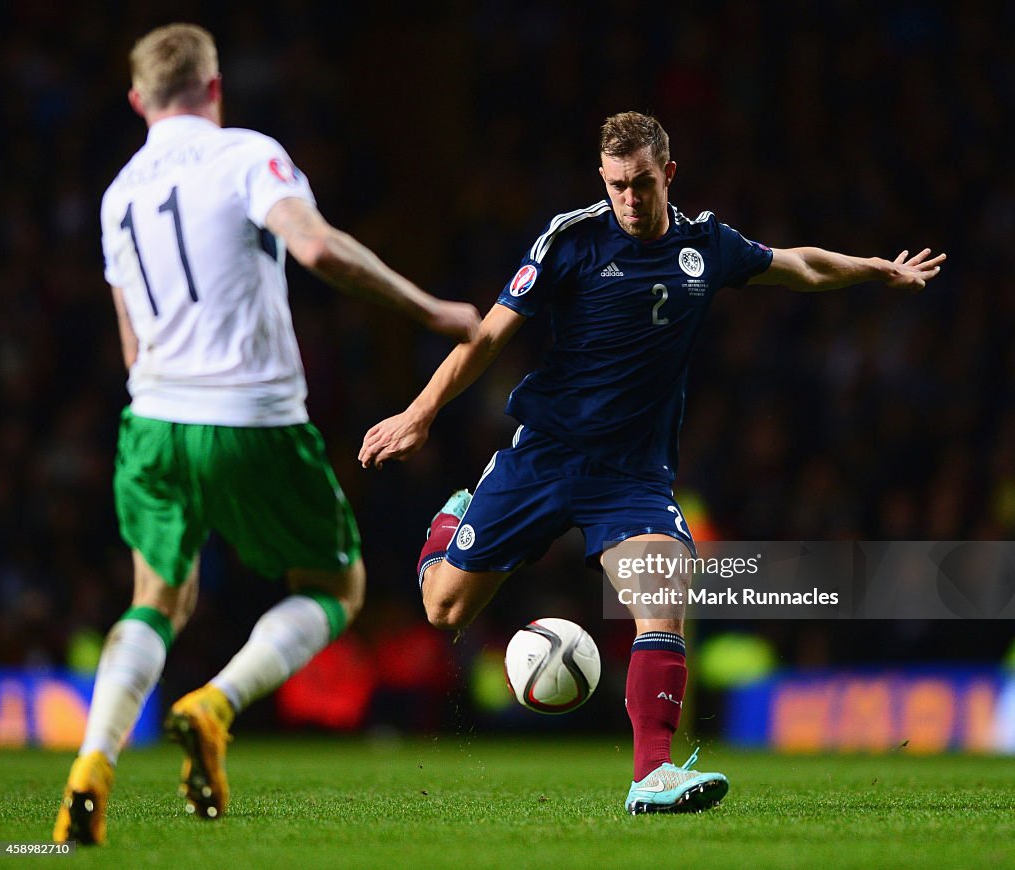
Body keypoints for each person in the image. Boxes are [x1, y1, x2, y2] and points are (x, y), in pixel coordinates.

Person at [359, 110, 944, 814]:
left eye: (641, 184)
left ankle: (652, 774)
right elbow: (486, 336)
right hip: (543, 456)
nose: (629, 200)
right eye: (616, 186)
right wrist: (419, 415)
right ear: (601, 180)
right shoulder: (571, 239)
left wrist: (875, 270)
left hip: (631, 477)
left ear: (668, 174)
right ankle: (451, 523)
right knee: (442, 611)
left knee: (662, 597)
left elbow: (799, 265)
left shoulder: (707, 246)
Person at [53, 22, 480, 846]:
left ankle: (91, 766)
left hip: (152, 421)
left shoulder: (118, 193)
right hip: (249, 416)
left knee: (157, 600)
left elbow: (131, 341)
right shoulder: (245, 153)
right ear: (214, 89)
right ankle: (215, 705)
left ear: (139, 101)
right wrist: (430, 310)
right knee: (335, 587)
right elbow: (316, 248)